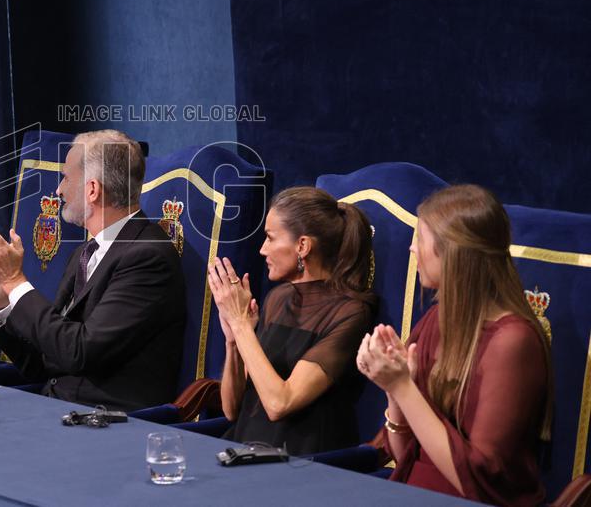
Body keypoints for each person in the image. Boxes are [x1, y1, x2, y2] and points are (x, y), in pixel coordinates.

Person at [0, 129, 186, 411]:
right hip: (59, 412)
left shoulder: (147, 257)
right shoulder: (85, 252)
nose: (59, 190)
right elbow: (44, 362)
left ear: (92, 190)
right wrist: (0, 299)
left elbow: (79, 352)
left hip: (110, 422)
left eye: (66, 178)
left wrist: (14, 280)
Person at [356, 184, 551, 506]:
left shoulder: (513, 341)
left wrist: (403, 386)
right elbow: (406, 456)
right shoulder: (436, 319)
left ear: (454, 252)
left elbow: (479, 481)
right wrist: (394, 391)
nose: (411, 248)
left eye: (420, 239)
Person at [209, 186, 376, 455]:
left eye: (270, 238)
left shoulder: (351, 313)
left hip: (302, 459)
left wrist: (240, 325)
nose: (262, 249)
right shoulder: (279, 298)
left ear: (303, 246)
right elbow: (232, 409)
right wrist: (233, 340)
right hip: (245, 449)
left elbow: (279, 404)